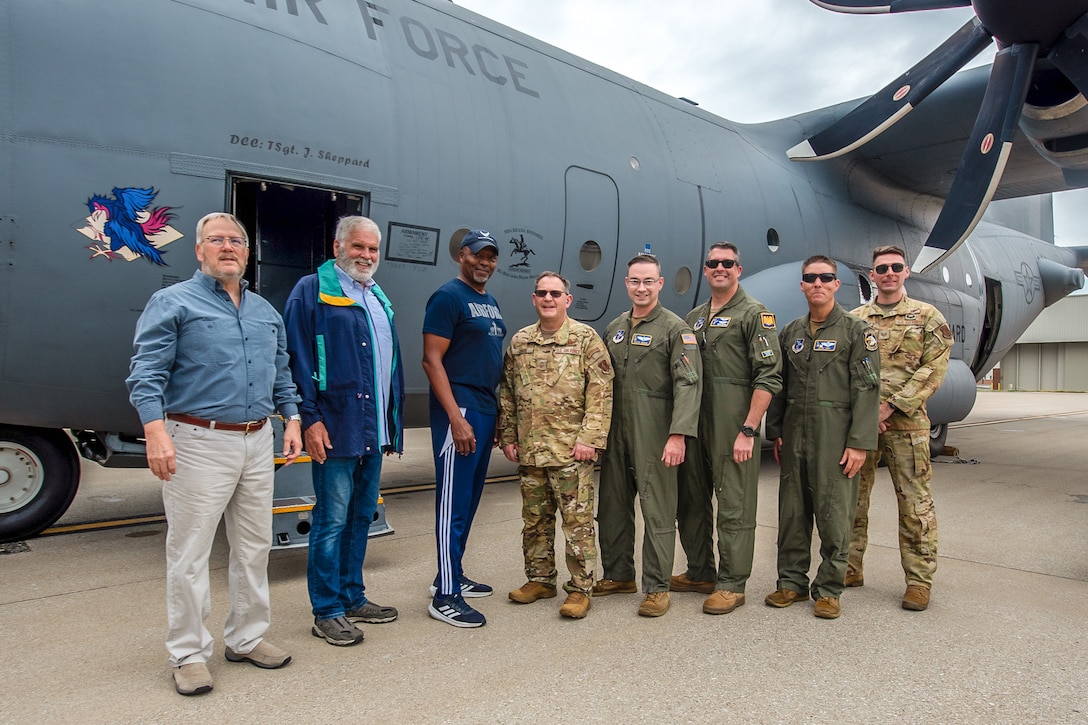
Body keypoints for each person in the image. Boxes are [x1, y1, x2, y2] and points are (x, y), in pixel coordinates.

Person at [127, 212, 302, 696]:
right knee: (189, 553)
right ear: (199, 250)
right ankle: (187, 653)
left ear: (248, 252)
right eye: (217, 240)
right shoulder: (172, 302)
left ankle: (246, 638)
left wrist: (291, 419)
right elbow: (146, 373)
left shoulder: (265, 311)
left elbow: (281, 371)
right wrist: (155, 431)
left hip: (256, 439)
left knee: (253, 546)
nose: (228, 247)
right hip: (198, 440)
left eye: (237, 241)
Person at [284, 216, 405, 646]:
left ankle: (353, 597)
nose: (367, 256)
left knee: (359, 516)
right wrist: (309, 418)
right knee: (331, 520)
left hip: (371, 428)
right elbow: (297, 359)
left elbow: (386, 365)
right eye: (359, 247)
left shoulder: (376, 296)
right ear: (337, 246)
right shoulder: (311, 291)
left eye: (373, 249)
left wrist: (391, 422)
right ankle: (327, 610)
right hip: (334, 426)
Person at [764, 255, 880, 620]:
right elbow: (780, 387)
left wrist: (859, 442)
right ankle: (791, 583)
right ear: (801, 285)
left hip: (836, 434)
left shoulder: (856, 332)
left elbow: (867, 389)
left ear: (835, 284)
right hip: (796, 432)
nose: (817, 283)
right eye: (810, 278)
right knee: (793, 512)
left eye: (825, 277)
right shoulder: (792, 333)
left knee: (834, 514)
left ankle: (829, 589)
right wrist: (777, 431)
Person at [674, 242, 782, 615]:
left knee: (734, 505)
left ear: (739, 268)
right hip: (696, 423)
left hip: (733, 422)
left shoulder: (755, 314)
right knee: (691, 501)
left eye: (727, 263)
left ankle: (733, 583)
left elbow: (768, 376)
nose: (720, 268)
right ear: (705, 270)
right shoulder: (695, 317)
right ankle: (700, 571)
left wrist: (749, 429)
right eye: (713, 263)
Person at [498, 272, 614, 619]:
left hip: (571, 452)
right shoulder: (520, 342)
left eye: (555, 293)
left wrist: (589, 440)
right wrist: (508, 436)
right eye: (541, 293)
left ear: (567, 299)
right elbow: (507, 391)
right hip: (531, 450)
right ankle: (540, 579)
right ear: (534, 299)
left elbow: (601, 392)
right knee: (534, 521)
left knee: (576, 523)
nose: (548, 298)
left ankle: (581, 588)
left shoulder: (584, 339)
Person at [593, 253, 702, 617]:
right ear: (627, 284)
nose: (641, 288)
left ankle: (657, 587)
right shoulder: (615, 328)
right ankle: (618, 574)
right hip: (617, 432)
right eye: (635, 281)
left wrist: (678, 435)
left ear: (660, 284)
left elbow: (688, 383)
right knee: (611, 507)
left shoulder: (675, 329)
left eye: (648, 281)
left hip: (655, 432)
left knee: (657, 511)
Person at [848, 245, 953, 611]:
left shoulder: (927, 317)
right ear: (873, 275)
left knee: (914, 505)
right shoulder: (855, 320)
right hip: (861, 427)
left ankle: (918, 581)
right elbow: (845, 372)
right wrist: (866, 412)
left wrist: (889, 406)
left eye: (895, 267)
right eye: (882, 268)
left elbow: (933, 369)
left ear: (906, 272)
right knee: (852, 501)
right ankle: (849, 566)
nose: (889, 273)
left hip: (908, 427)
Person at [422, 229, 507, 627]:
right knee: (452, 502)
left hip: (484, 407)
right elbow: (431, 360)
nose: (484, 262)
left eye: (490, 257)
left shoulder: (488, 301)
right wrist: (455, 416)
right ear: (462, 255)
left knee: (470, 501)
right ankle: (445, 596)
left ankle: (451, 573)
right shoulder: (447, 297)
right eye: (478, 255)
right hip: (461, 407)